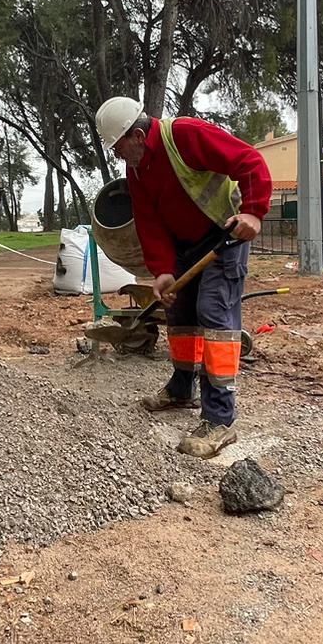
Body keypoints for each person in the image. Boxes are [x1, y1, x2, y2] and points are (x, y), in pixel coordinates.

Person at [95, 96, 272, 459]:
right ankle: (181, 389)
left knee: (214, 314)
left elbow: (249, 160)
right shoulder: (137, 169)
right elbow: (148, 222)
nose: (116, 154)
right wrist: (162, 270)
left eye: (118, 146)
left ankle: (220, 418)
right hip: (185, 246)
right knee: (180, 314)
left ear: (138, 136)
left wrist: (253, 211)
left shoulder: (185, 135)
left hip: (224, 234)